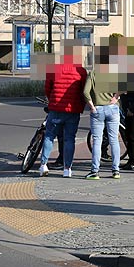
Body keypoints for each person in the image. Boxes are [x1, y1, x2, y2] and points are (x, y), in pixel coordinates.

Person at [38, 41, 87, 178]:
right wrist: (80, 105)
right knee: (69, 139)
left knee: (49, 136)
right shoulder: (81, 71)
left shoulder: (53, 68)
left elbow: (47, 88)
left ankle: (43, 165)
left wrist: (52, 100)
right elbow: (84, 91)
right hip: (73, 110)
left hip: (55, 109)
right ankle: (67, 169)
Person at [83, 50, 122, 180]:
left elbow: (85, 92)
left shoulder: (93, 74)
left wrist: (92, 106)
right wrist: (116, 97)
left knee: (97, 141)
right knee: (114, 140)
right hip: (113, 109)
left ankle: (95, 171)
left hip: (98, 109)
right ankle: (116, 170)